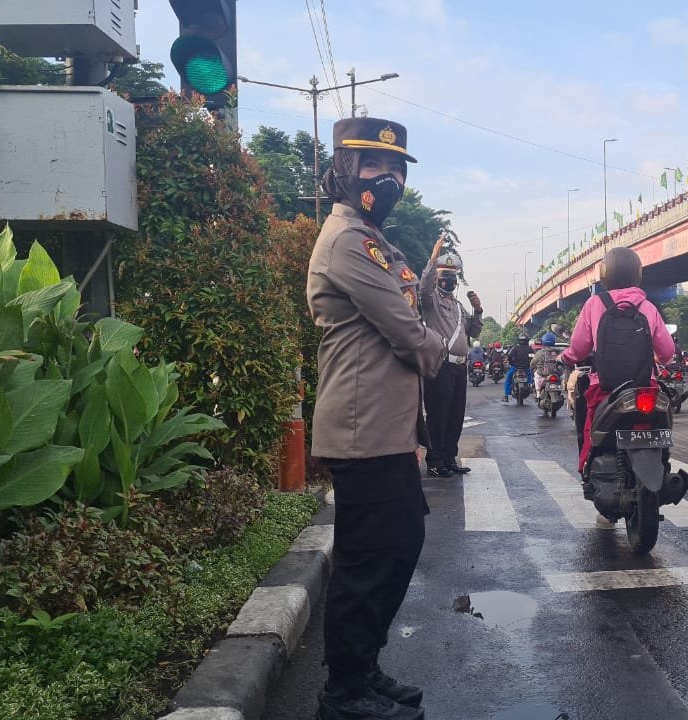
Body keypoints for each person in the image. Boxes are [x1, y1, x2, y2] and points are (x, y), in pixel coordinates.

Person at [306, 117, 436, 720]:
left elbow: (413, 302)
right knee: (365, 559)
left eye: (397, 169)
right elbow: (406, 330)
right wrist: (444, 349)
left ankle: (362, 665)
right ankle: (343, 691)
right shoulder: (347, 241)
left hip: (384, 427)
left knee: (400, 542)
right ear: (343, 171)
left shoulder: (375, 241)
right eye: (374, 166)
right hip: (360, 428)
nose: (388, 178)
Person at [561, 247, 676, 470]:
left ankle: (586, 465)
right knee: (661, 415)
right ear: (637, 274)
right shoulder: (648, 306)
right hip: (644, 386)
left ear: (605, 274)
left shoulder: (594, 304)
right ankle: (663, 460)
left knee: (590, 426)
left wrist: (565, 358)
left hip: (604, 387)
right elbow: (667, 352)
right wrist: (664, 361)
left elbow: (578, 348)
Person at [419, 240, 483, 479]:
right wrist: (432, 259)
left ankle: (449, 458)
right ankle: (435, 461)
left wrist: (478, 310)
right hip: (440, 365)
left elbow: (473, 333)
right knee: (438, 414)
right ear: (437, 277)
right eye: (444, 275)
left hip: (459, 367)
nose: (449, 280)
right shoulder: (431, 302)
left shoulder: (458, 307)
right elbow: (423, 289)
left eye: (452, 276)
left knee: (455, 415)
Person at [531, 331, 560, 398]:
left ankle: (538, 393)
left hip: (542, 374)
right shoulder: (557, 351)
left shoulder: (540, 352)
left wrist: (533, 367)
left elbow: (533, 363)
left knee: (536, 377)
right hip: (556, 373)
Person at [503, 332, 532, 401]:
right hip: (526, 368)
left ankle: (506, 396)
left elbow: (509, 356)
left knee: (508, 379)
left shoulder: (515, 348)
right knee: (531, 378)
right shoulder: (529, 348)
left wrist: (510, 362)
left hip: (515, 368)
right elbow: (532, 357)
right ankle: (532, 389)